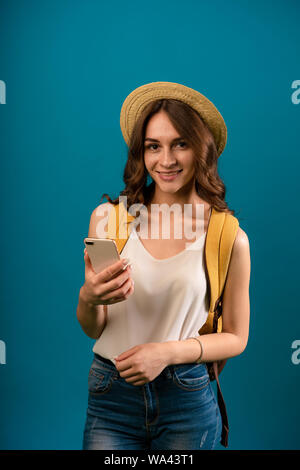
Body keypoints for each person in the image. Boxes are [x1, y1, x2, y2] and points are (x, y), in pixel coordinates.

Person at [76, 81, 251, 450]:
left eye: (180, 144)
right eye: (154, 146)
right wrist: (89, 298)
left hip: (186, 396)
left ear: (201, 149)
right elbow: (94, 328)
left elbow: (236, 336)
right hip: (111, 395)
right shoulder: (109, 221)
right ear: (141, 152)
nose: (166, 160)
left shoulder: (227, 237)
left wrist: (167, 352)